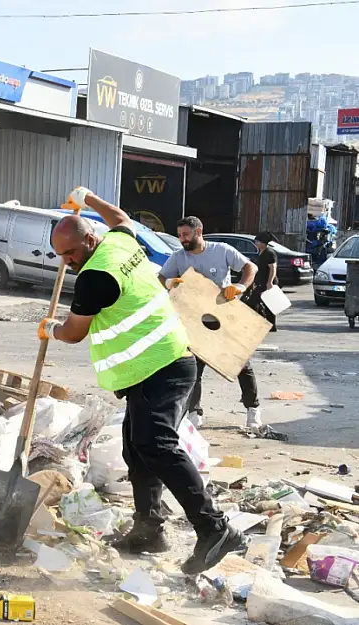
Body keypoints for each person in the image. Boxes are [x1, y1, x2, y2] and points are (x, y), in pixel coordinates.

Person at [38, 187, 243, 575]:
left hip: (161, 367)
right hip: (156, 366)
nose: (68, 261)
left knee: (156, 444)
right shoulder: (119, 240)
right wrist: (88, 198)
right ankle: (149, 530)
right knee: (136, 447)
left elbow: (74, 332)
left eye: (71, 253)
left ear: (89, 240)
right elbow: (120, 217)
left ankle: (215, 529)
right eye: (62, 256)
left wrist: (50, 329)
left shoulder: (96, 277)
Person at [158, 217, 263, 430]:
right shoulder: (179, 257)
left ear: (199, 232)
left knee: (242, 365)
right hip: (193, 321)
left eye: (186, 235)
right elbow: (160, 276)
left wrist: (240, 286)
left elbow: (250, 267)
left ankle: (253, 409)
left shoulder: (221, 250)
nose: (182, 239)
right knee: (194, 369)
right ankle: (195, 412)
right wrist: (168, 282)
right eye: (179, 235)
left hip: (223, 316)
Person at [243, 232, 279, 332]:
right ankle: (262, 322)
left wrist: (270, 282)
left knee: (268, 304)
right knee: (253, 302)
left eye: (258, 241)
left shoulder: (270, 253)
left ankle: (272, 325)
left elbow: (273, 269)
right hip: (259, 282)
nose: (256, 243)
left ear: (264, 243)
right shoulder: (261, 252)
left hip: (267, 283)